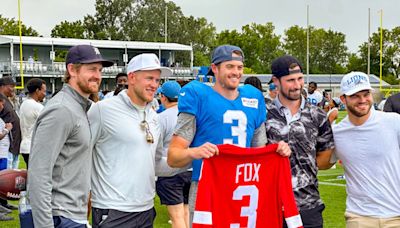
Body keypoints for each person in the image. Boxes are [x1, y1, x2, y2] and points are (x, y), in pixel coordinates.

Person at [167, 45, 290, 224]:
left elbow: (260, 151)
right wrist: (195, 152)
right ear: (215, 68)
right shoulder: (199, 95)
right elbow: (173, 156)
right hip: (208, 189)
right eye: (230, 67)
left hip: (245, 188)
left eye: (239, 67)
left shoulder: (253, 98)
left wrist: (277, 150)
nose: (236, 72)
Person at [27, 44, 113, 228]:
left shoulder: (79, 107)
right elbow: (39, 174)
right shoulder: (61, 110)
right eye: (91, 69)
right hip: (60, 216)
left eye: (99, 70)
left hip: (73, 215)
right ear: (72, 70)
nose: (97, 76)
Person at [88, 53, 172, 228]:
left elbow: (155, 164)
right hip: (112, 210)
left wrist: (192, 159)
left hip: (146, 209)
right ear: (132, 78)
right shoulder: (102, 111)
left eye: (157, 80)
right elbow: (80, 155)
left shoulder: (154, 117)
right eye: (149, 78)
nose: (154, 85)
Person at [266, 55, 335, 228]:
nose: (297, 85)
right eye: (290, 80)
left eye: (300, 79)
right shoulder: (263, 114)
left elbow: (326, 156)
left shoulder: (317, 115)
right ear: (276, 80)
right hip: (270, 206)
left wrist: (303, 167)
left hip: (308, 205)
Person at [332, 71, 400, 228]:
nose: (362, 100)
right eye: (355, 95)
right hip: (359, 217)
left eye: (366, 94)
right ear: (343, 99)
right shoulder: (337, 132)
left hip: (396, 215)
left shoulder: (394, 122)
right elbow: (323, 163)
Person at [155, 81, 192, 228]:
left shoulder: (161, 118)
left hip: (169, 169)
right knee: (186, 214)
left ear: (163, 97)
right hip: (189, 168)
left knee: (177, 218)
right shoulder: (189, 114)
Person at [19, 78, 46, 169]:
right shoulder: (37, 106)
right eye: (43, 91)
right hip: (34, 147)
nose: (44, 94)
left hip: (25, 147)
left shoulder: (24, 104)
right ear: (37, 90)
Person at [0, 76, 21, 170]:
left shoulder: (7, 100)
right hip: (6, 146)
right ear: (2, 86)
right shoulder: (1, 100)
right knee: (6, 177)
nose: (13, 89)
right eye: (11, 86)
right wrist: (5, 130)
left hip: (14, 144)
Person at [0, 97, 14, 221]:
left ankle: (1, 205)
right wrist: (7, 129)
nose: (2, 106)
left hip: (3, 154)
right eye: (1, 103)